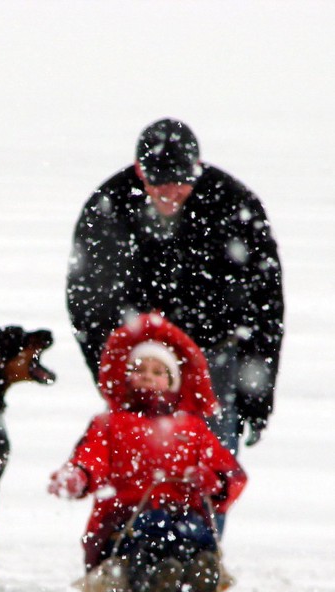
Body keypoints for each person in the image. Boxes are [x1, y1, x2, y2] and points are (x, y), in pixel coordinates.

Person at [67, 117, 284, 455]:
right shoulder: (110, 207)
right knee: (137, 477)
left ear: (196, 170)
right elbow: (88, 304)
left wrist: (256, 397)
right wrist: (111, 375)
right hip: (141, 366)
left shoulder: (234, 204)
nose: (170, 193)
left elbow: (265, 305)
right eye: (158, 184)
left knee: (209, 474)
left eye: (180, 183)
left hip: (214, 361)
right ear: (141, 172)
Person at [48, 313, 247, 592]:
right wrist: (79, 476)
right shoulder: (110, 424)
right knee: (150, 534)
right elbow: (92, 458)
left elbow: (228, 471)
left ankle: (196, 576)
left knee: (194, 534)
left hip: (183, 514)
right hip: (126, 518)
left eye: (158, 372)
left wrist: (214, 481)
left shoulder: (192, 428)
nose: (148, 377)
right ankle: (153, 579)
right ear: (126, 376)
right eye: (140, 369)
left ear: (173, 382)